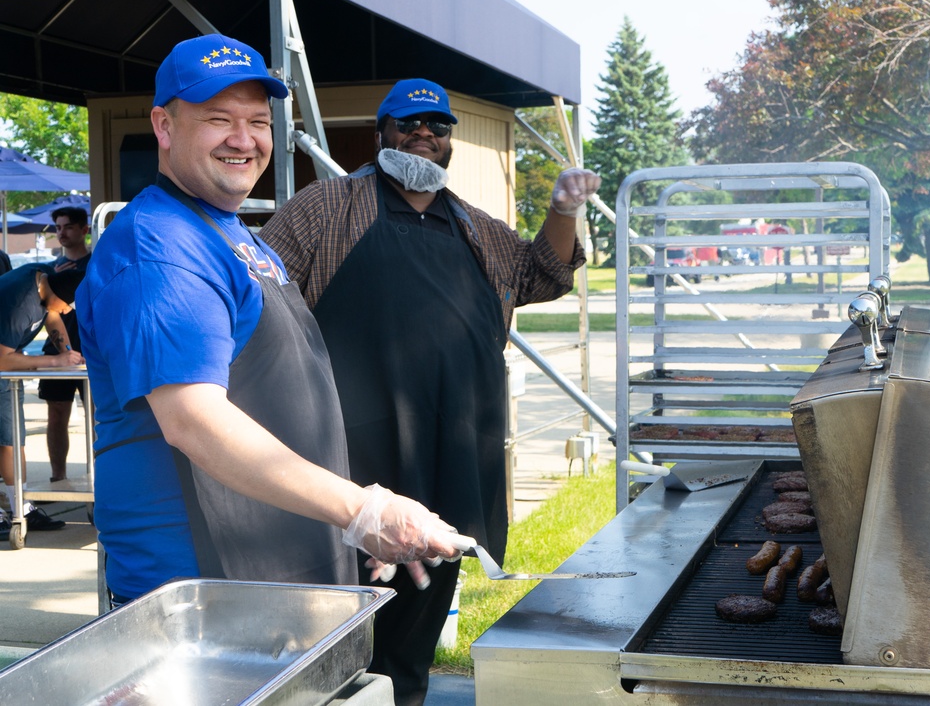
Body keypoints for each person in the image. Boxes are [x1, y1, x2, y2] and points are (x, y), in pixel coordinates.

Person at [74, 36, 461, 608]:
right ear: (164, 125)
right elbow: (194, 421)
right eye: (218, 119)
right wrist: (360, 510)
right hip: (204, 583)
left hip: (276, 559)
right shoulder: (159, 249)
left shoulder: (234, 233)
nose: (244, 139)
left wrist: (347, 516)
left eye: (258, 120)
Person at [260, 77, 601, 706]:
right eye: (409, 122)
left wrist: (562, 210)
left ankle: (404, 693)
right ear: (381, 133)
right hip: (353, 454)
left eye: (438, 126)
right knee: (341, 613)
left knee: (420, 607)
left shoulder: (477, 227)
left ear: (450, 142)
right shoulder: (325, 207)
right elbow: (255, 292)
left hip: (453, 451)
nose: (425, 133)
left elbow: (546, 275)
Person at [0, 264, 85, 539]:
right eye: (67, 304)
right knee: (6, 442)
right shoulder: (20, 304)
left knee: (14, 439)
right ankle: (11, 512)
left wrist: (69, 354)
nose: (69, 310)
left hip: (8, 366)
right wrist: (54, 361)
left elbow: (53, 316)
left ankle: (20, 506)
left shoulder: (45, 278)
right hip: (4, 362)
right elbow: (2, 359)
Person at [39, 206, 91, 482]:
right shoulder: (47, 272)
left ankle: (99, 477)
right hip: (56, 353)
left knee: (97, 417)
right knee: (57, 414)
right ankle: (57, 477)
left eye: (68, 226)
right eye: (58, 228)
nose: (62, 233)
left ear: (84, 230)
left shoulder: (97, 266)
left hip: (92, 352)